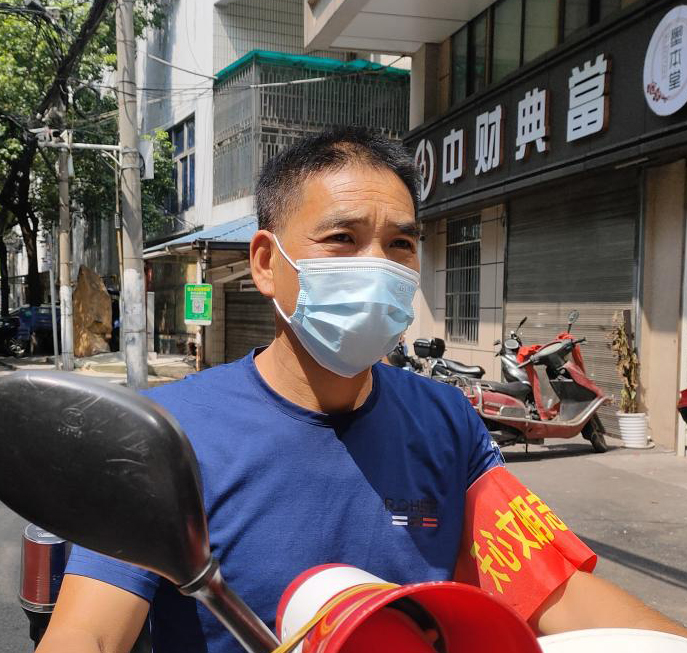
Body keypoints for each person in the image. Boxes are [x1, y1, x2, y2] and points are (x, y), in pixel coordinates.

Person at [37, 128, 687, 653]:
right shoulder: (163, 434)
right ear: (266, 262)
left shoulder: (445, 419)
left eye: (400, 244)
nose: (376, 265)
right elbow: (88, 634)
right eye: (342, 239)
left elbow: (554, 592)